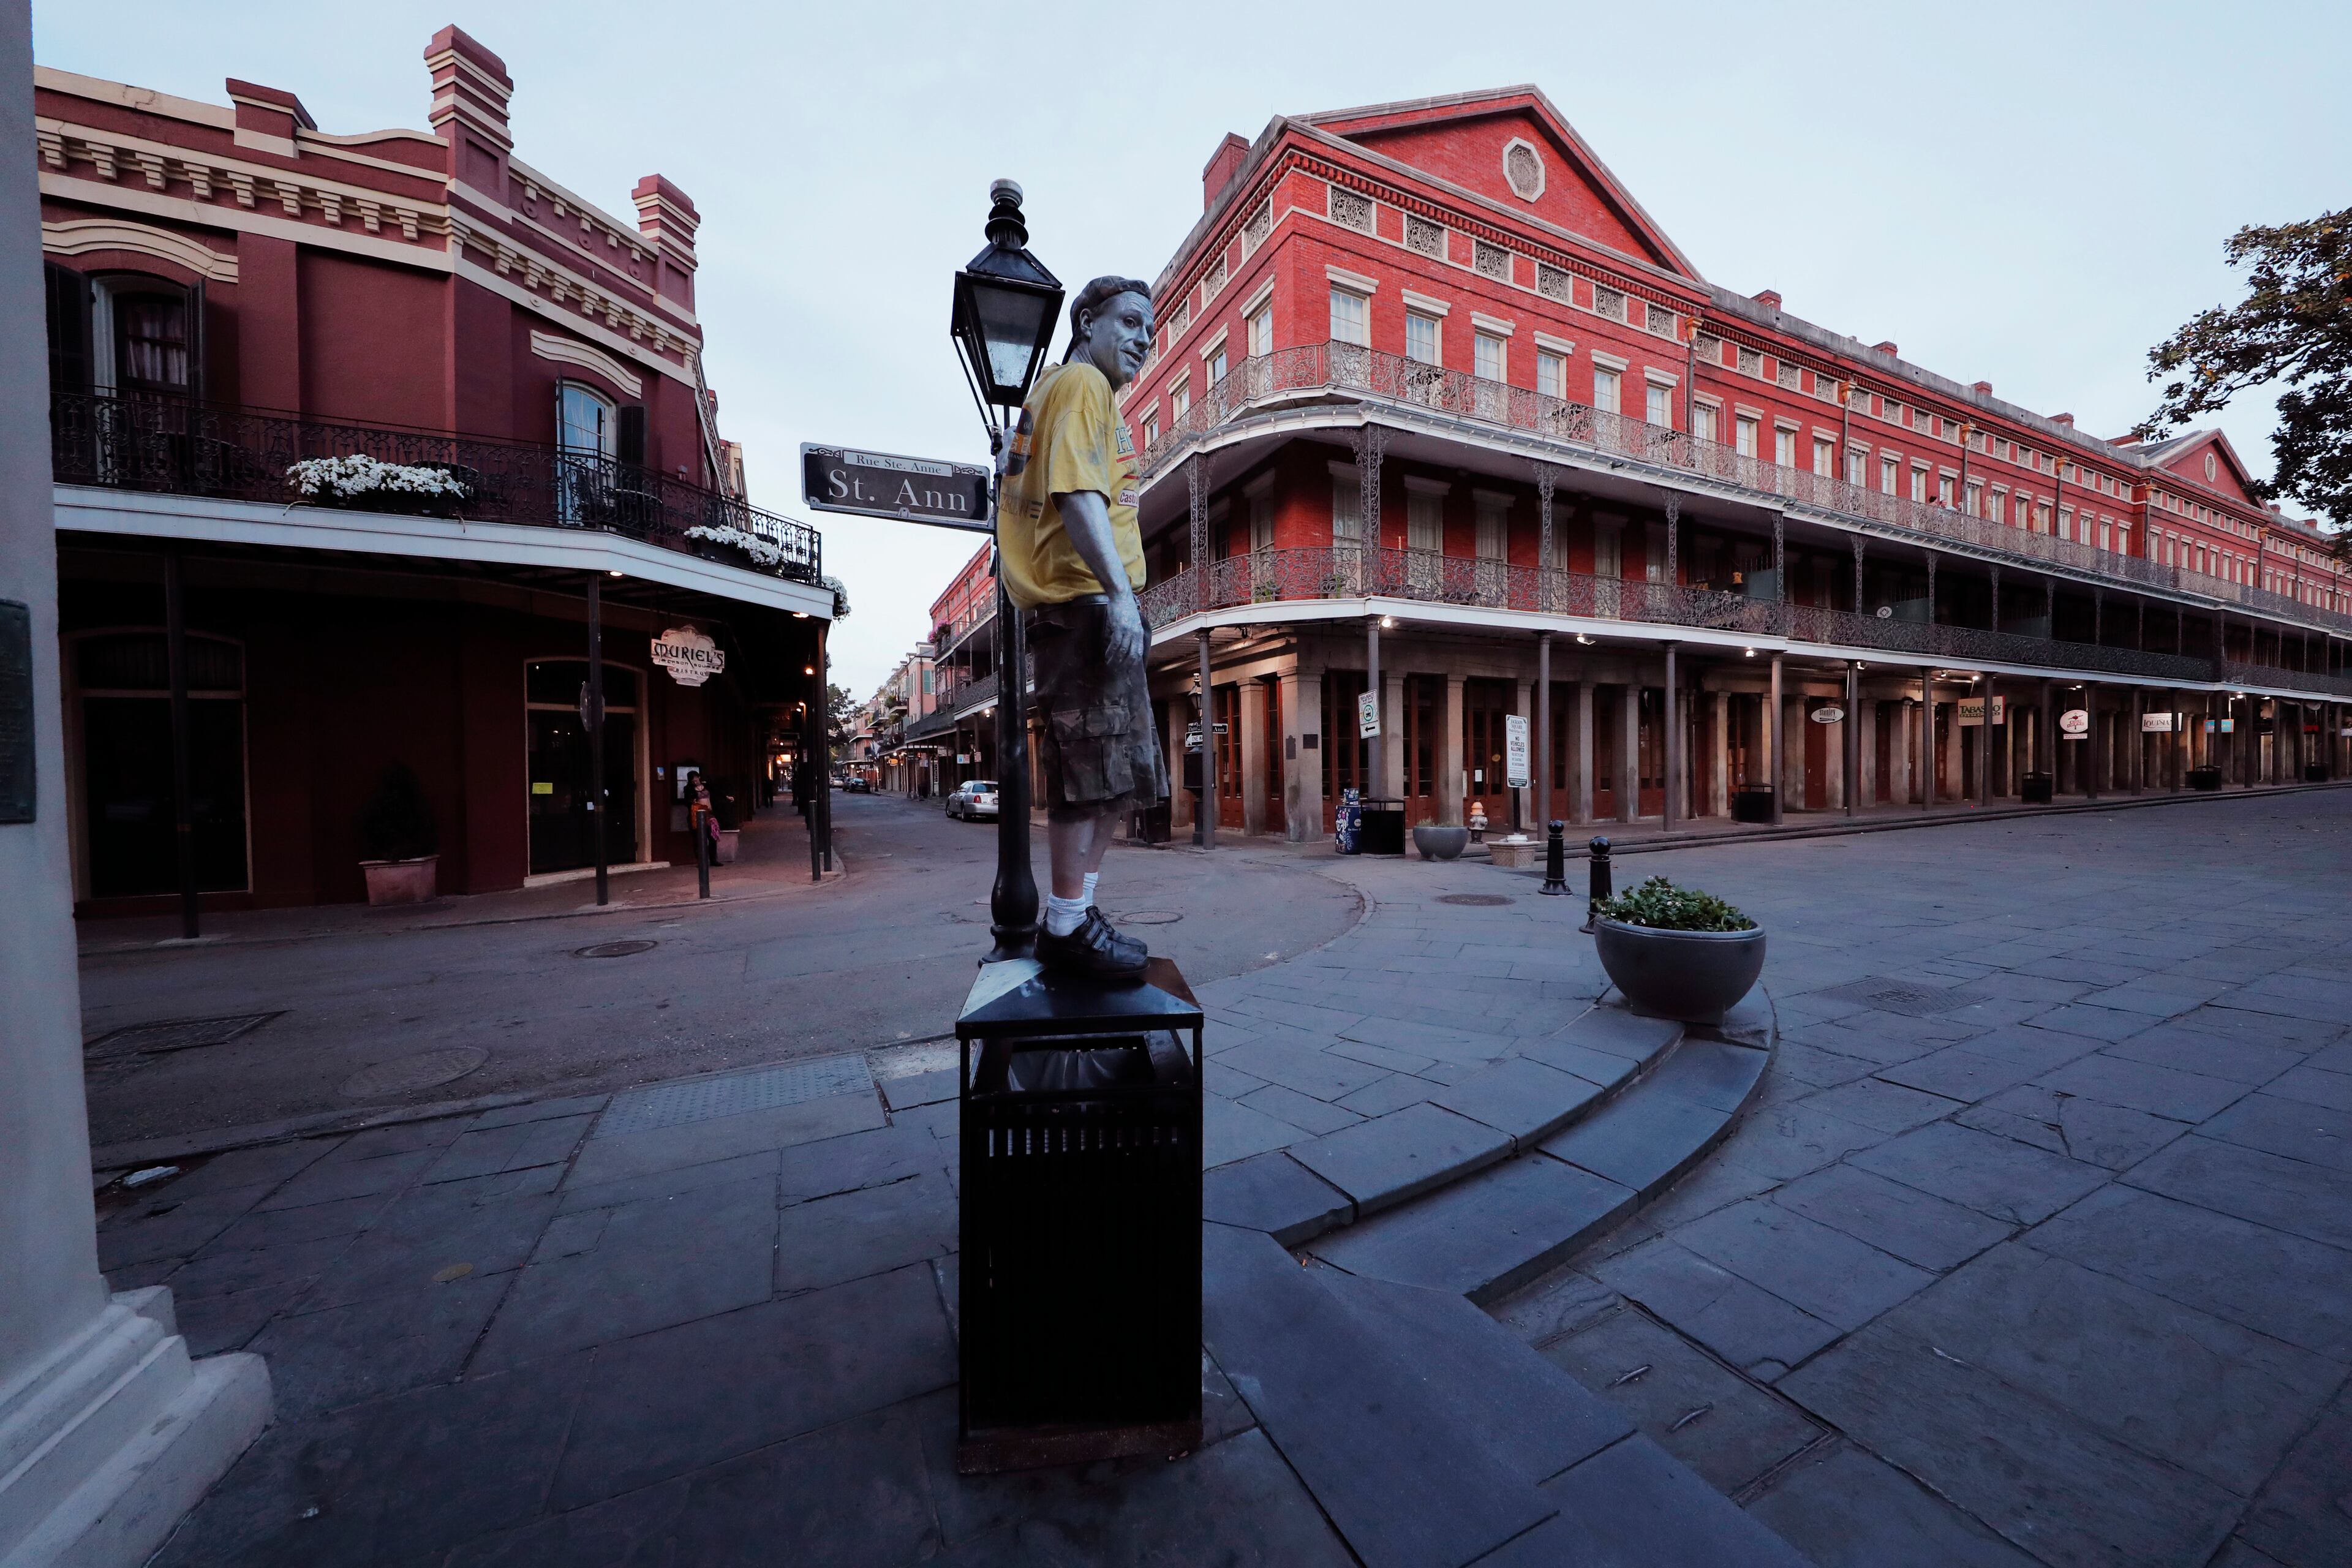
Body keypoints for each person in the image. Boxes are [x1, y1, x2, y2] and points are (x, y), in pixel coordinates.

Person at [997, 275, 1165, 979]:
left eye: (1150, 333)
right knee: (1090, 776)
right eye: (1129, 322)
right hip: (1086, 606)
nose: (1142, 341)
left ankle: (1077, 914)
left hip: (1095, 607)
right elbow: (1075, 496)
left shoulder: (1075, 396)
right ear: (1087, 321)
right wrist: (1121, 597)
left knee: (1120, 779)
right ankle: (1065, 926)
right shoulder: (1080, 386)